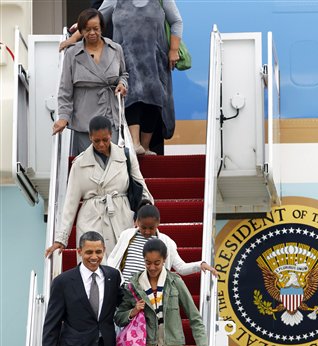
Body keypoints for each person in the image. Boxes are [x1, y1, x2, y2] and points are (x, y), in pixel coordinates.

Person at [60, 0, 183, 155]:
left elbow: (176, 21)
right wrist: (74, 38)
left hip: (154, 58)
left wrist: (174, 49)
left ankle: (145, 146)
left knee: (155, 98)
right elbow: (98, 16)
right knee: (130, 96)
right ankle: (135, 142)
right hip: (125, 57)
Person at [45, 115, 153, 259]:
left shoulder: (126, 156)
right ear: (90, 137)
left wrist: (146, 215)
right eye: (96, 140)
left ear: (111, 135)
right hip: (91, 220)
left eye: (105, 140)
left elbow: (142, 188)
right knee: (93, 268)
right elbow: (70, 202)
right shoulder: (79, 164)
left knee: (123, 267)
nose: (101, 144)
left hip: (121, 216)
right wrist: (61, 238)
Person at [53, 8, 128, 154]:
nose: (92, 33)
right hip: (84, 119)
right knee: (88, 166)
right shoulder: (72, 53)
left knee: (112, 162)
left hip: (111, 116)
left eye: (96, 29)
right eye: (87, 29)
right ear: (80, 30)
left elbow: (123, 74)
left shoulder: (116, 49)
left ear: (102, 29)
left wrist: (122, 84)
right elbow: (65, 90)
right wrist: (63, 117)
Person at [107, 204, 218, 284]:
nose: (147, 231)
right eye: (143, 227)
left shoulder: (167, 242)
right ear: (137, 222)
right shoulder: (126, 235)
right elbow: (113, 259)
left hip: (150, 293)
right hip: (124, 290)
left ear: (158, 223)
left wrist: (200, 265)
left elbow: (181, 267)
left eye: (151, 228)